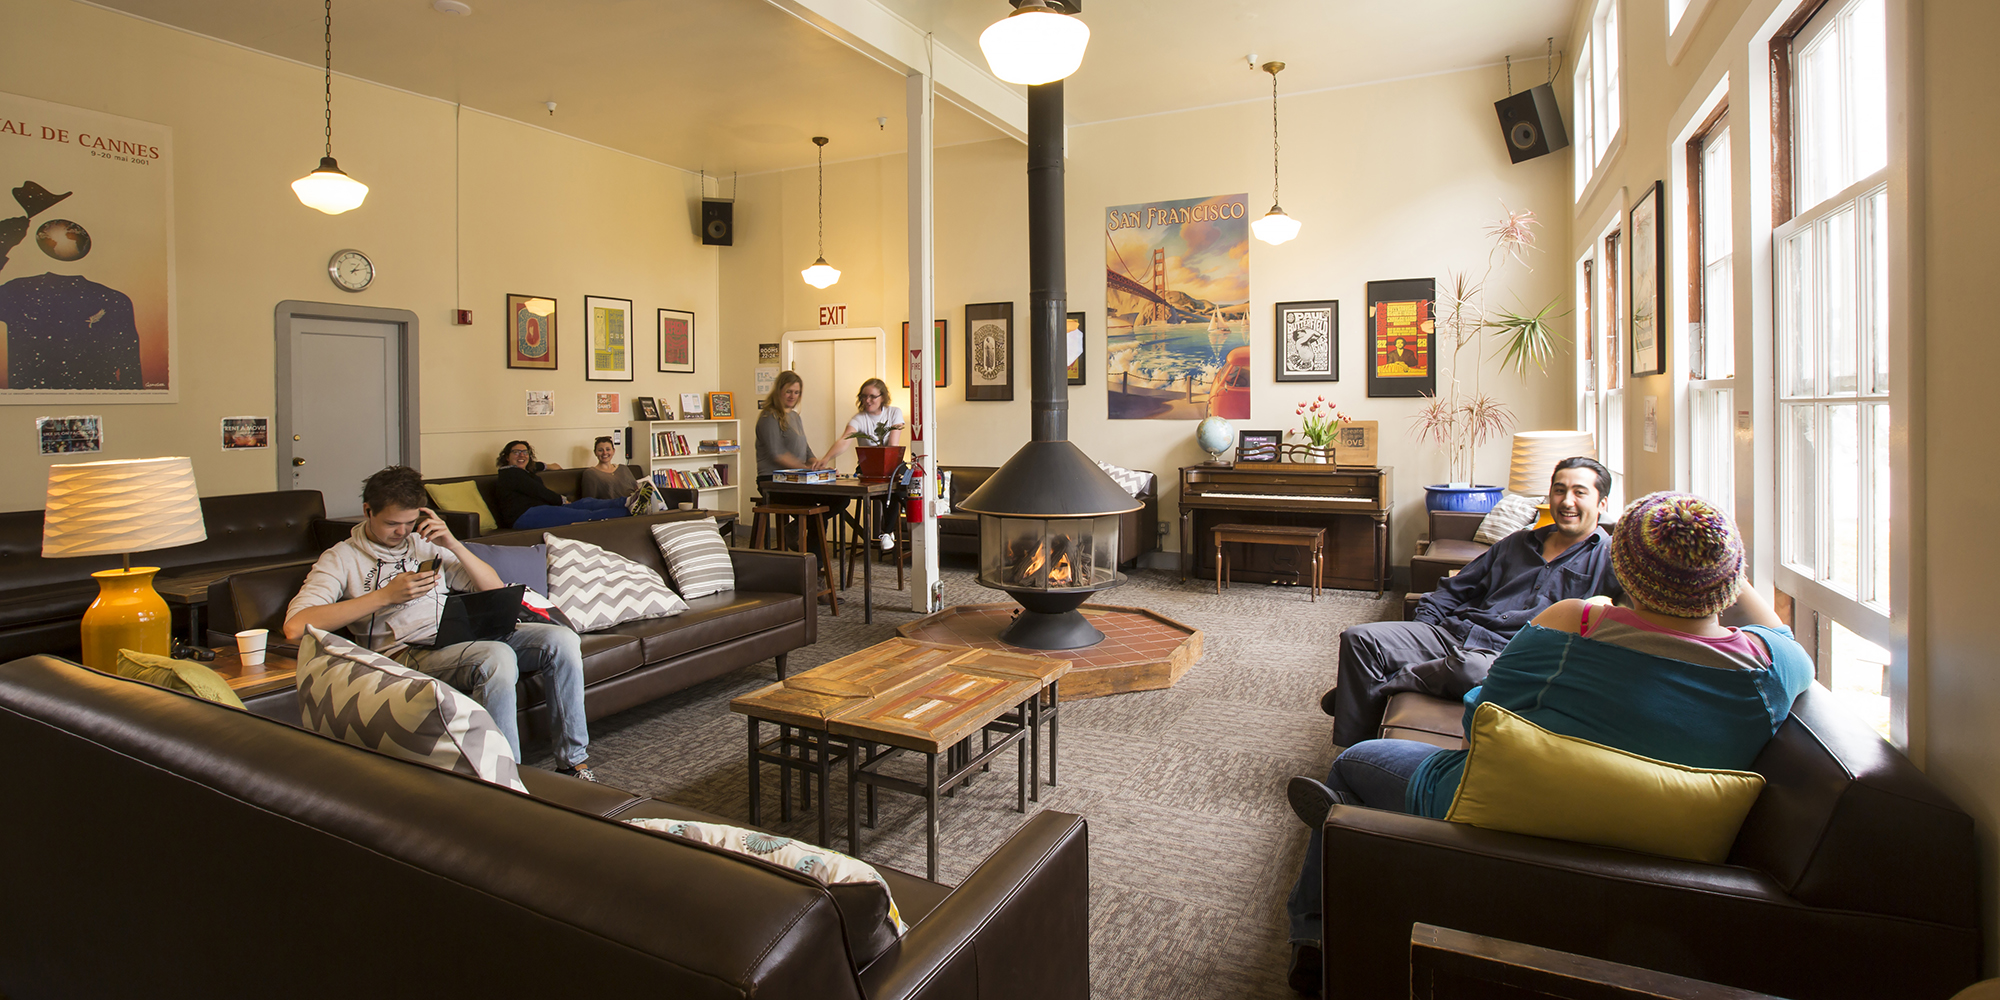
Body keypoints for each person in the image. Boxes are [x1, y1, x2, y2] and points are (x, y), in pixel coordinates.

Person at [1278, 493, 1813, 995]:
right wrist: (1717, 567)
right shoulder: (1773, 669)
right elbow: (1775, 628)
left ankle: (1314, 937)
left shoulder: (1572, 623)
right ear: (1727, 577)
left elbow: (1482, 719)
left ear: (1622, 566)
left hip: (1499, 808)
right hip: (1670, 863)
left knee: (1351, 765)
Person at [283, 465, 596, 780]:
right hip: (406, 652)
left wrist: (453, 544)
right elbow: (296, 626)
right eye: (392, 523)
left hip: (458, 635)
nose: (402, 532)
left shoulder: (425, 543)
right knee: (496, 657)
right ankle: (506, 778)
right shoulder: (340, 559)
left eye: (409, 523)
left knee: (562, 640)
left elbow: (493, 588)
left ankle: (574, 764)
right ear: (368, 511)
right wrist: (384, 597)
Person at [1321, 457, 1624, 750]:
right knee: (1359, 638)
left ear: (1602, 503)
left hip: (1508, 656)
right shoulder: (1518, 542)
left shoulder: (1610, 561)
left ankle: (1377, 687)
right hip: (1456, 633)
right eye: (1560, 490)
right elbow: (1453, 589)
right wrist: (1419, 629)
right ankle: (1353, 754)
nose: (1567, 501)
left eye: (1579, 492)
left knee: (1470, 670)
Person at [818, 378, 904, 549]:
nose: (868, 400)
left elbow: (893, 445)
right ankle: (887, 533)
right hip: (868, 468)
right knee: (893, 491)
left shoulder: (894, 412)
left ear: (882, 397)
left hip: (890, 465)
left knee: (901, 486)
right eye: (864, 396)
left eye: (872, 396)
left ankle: (888, 532)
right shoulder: (859, 418)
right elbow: (845, 439)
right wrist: (826, 458)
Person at [493, 440, 628, 530]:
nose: (521, 455)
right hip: (523, 516)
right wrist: (562, 500)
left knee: (587, 502)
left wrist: (548, 466)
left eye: (525, 452)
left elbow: (535, 466)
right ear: (507, 457)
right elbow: (539, 491)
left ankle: (628, 501)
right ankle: (629, 512)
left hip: (540, 510)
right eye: (516, 452)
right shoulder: (510, 474)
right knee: (584, 515)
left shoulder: (523, 471)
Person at [754, 370, 826, 481]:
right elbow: (777, 453)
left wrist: (818, 466)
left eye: (796, 392)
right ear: (779, 392)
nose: (792, 396)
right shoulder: (769, 417)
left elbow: (806, 450)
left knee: (839, 497)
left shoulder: (795, 416)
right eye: (789, 391)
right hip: (773, 479)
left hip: (796, 476)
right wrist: (806, 469)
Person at [578, 435, 640, 500]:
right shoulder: (590, 473)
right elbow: (589, 501)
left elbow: (636, 488)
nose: (605, 453)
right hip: (613, 508)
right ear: (595, 452)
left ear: (613, 451)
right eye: (600, 450)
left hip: (634, 505)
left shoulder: (623, 468)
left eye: (608, 449)